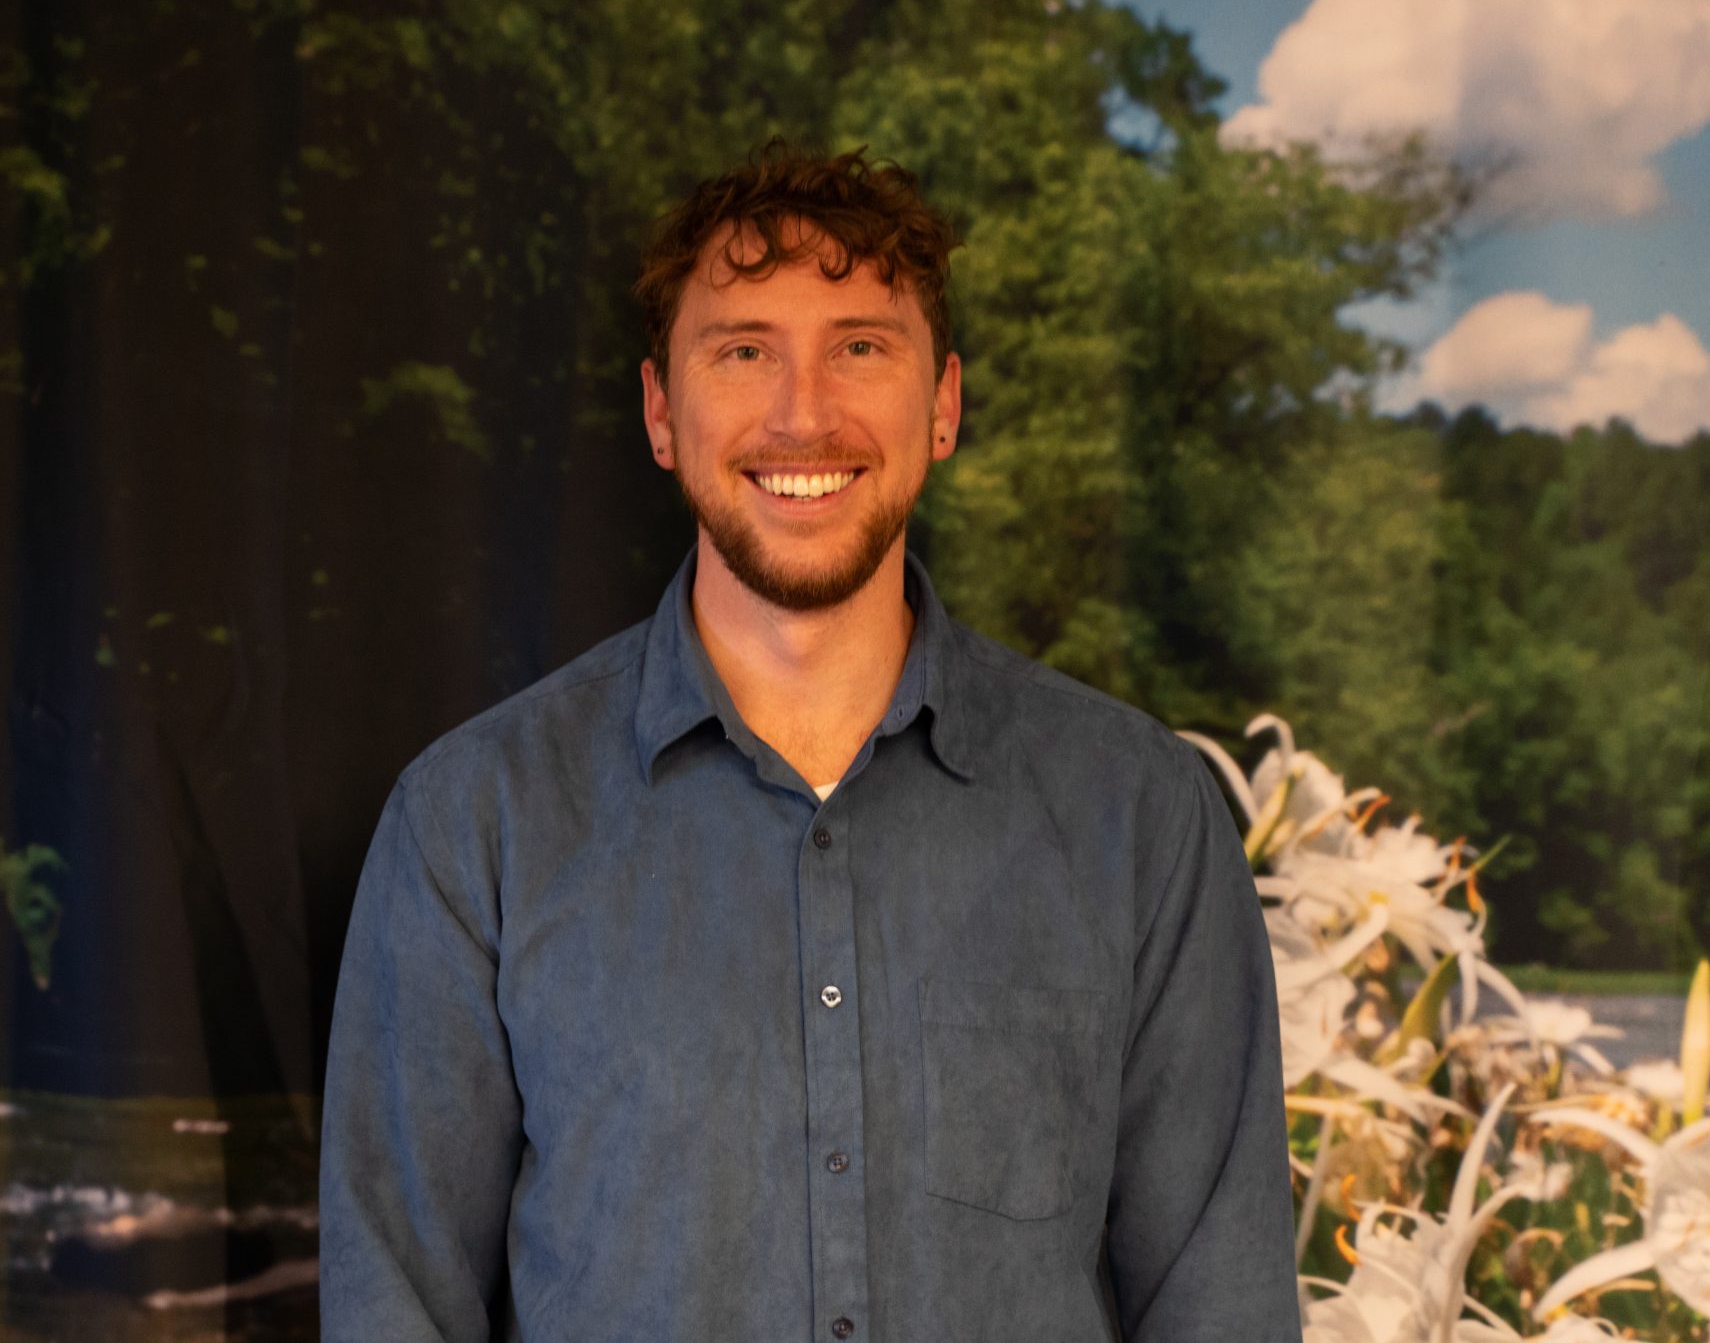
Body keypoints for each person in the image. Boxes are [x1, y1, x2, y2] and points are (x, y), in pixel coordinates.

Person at [320, 144, 1298, 1342]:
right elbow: (393, 1307)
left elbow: (1222, 1308)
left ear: (942, 406)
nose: (803, 414)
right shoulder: (474, 822)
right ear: (660, 413)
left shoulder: (1139, 816)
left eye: (861, 347)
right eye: (743, 352)